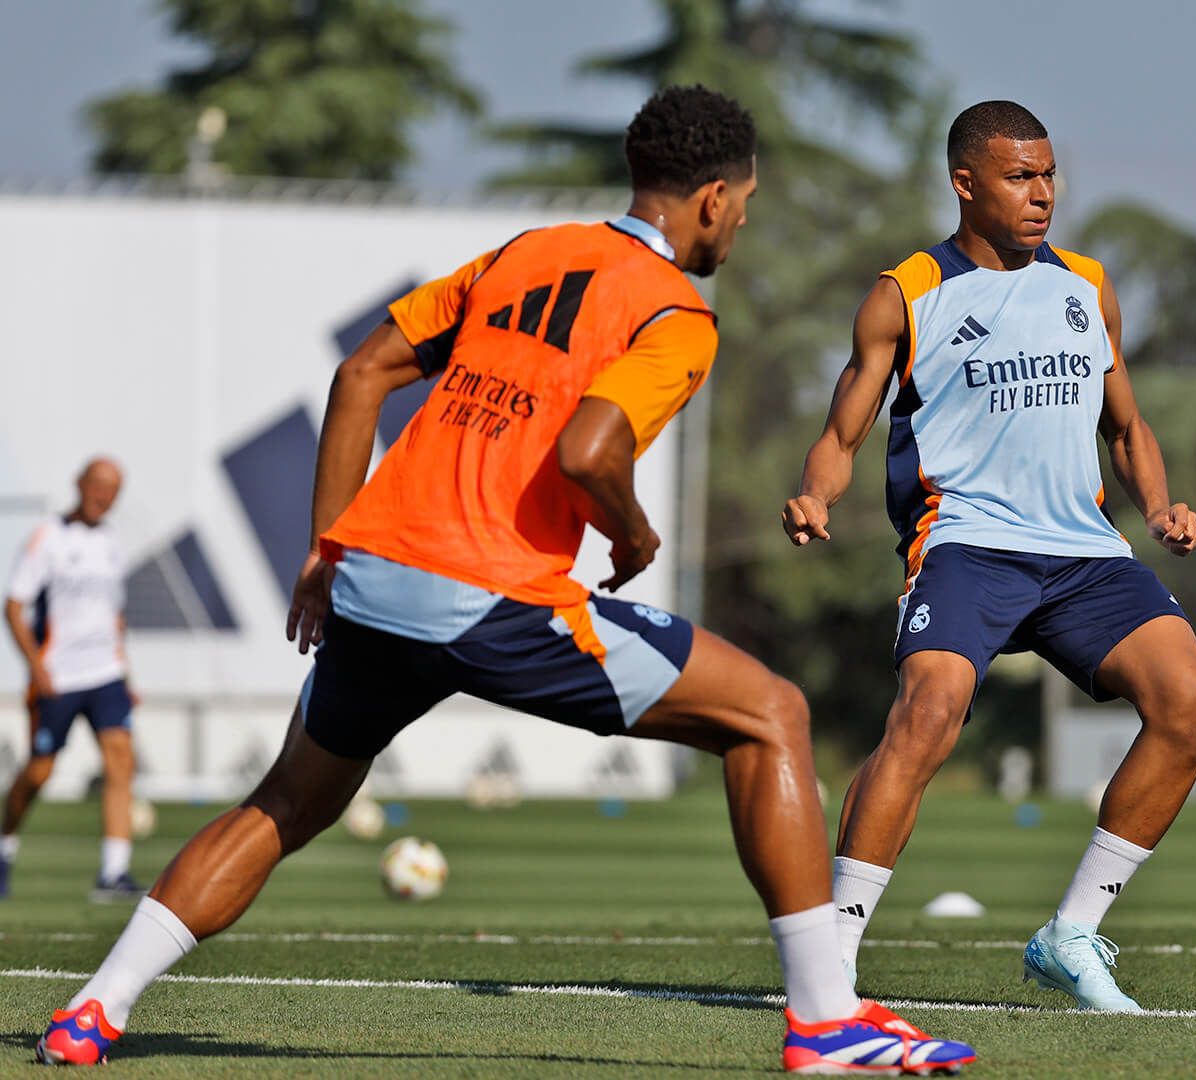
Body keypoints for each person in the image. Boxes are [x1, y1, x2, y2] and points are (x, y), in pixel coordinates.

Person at [38, 86, 973, 1075]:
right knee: (772, 713)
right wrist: (634, 531)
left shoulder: (525, 254)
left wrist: (327, 548)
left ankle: (93, 1009)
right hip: (490, 594)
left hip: (377, 580)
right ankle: (827, 1020)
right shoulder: (675, 312)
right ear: (710, 199)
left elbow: (363, 373)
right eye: (743, 202)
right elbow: (589, 450)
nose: (741, 220)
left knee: (285, 803)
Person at [783, 100, 1196, 1012]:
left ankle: (1070, 936)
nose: (1043, 194)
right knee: (932, 708)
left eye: (1051, 174)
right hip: (967, 544)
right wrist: (815, 495)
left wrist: (1159, 505)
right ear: (965, 182)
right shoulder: (905, 293)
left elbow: (1127, 425)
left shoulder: (1087, 285)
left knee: (1191, 701)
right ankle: (834, 960)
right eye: (1021, 177)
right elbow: (844, 425)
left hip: (1082, 553)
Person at [2, 457, 142, 903]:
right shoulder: (49, 539)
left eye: (113, 489)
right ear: (79, 484)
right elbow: (15, 607)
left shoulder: (113, 543)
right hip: (58, 678)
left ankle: (113, 872)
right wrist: (36, 667)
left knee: (120, 759)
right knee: (40, 772)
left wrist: (125, 671)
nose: (104, 496)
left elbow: (113, 615)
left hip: (105, 675)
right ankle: (5, 845)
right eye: (98, 485)